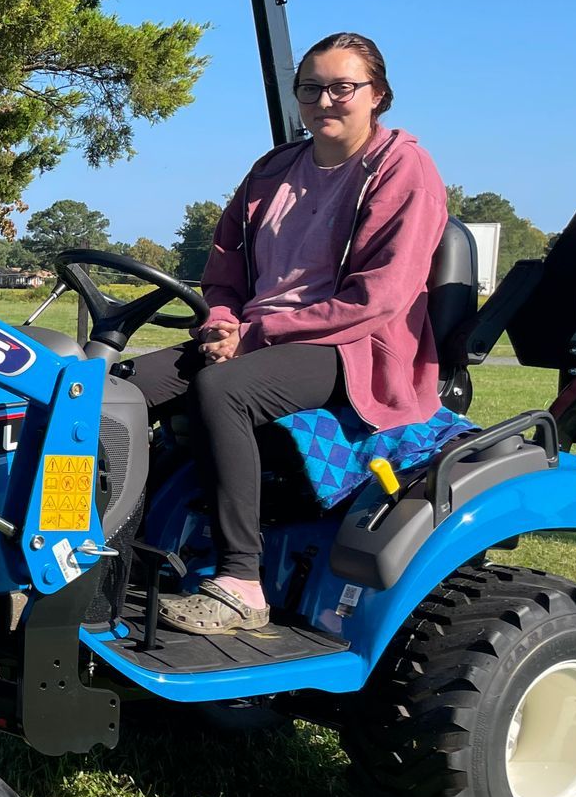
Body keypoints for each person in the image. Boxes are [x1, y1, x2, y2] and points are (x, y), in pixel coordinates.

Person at [124, 31, 449, 633]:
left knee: (223, 392)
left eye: (342, 88)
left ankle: (240, 582)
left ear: (377, 95)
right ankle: (107, 556)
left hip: (353, 347)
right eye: (311, 88)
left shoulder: (403, 168)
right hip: (255, 335)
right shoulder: (273, 170)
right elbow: (222, 274)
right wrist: (222, 322)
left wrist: (253, 335)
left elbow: (379, 298)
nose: (325, 101)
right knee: (115, 389)